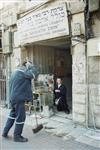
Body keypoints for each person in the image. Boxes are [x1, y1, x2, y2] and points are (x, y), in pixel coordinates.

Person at [2, 61, 39, 142]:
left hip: (13, 98)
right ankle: (17, 136)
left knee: (12, 115)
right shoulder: (23, 71)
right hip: (19, 98)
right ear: (25, 66)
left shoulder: (15, 72)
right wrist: (31, 66)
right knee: (21, 117)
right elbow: (34, 74)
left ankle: (5, 132)